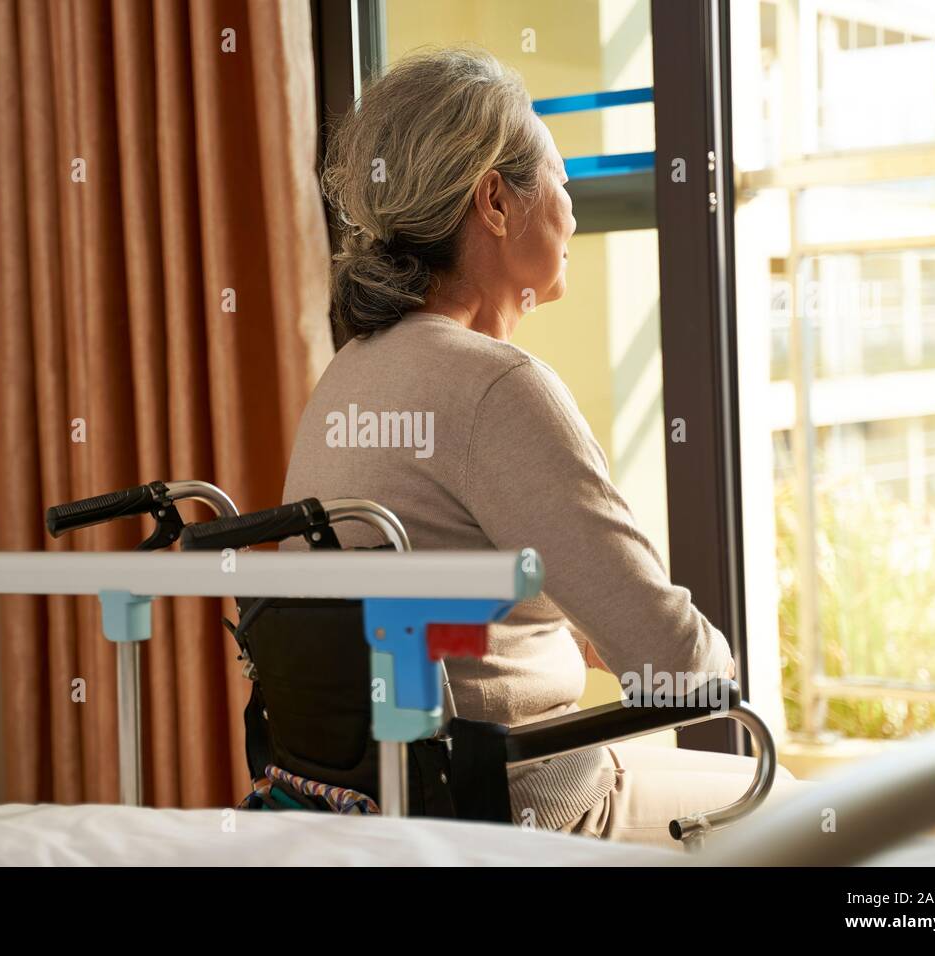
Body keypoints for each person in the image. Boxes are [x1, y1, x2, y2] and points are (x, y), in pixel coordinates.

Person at [282, 48, 798, 846]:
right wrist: (696, 650)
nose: (573, 203)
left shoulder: (350, 376)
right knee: (798, 813)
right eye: (559, 180)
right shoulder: (497, 387)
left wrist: (571, 623)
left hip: (379, 800)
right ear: (494, 200)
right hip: (520, 804)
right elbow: (684, 675)